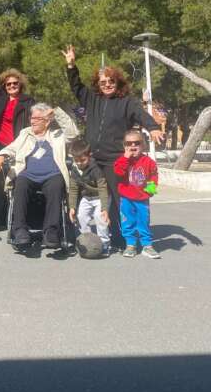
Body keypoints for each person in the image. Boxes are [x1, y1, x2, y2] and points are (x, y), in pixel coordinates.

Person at [62, 45, 164, 249]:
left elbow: (141, 115)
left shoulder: (127, 102)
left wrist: (152, 127)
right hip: (91, 158)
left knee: (118, 198)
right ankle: (80, 234)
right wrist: (71, 66)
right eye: (103, 82)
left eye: (111, 81)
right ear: (98, 85)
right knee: (83, 195)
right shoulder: (92, 99)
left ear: (117, 83)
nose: (107, 84)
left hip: (113, 159)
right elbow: (76, 87)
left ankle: (121, 237)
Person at [0, 103, 78, 249]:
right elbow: (12, 147)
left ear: (47, 120)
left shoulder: (57, 134)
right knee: (20, 184)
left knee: (57, 185)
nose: (32, 121)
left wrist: (57, 112)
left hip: (52, 174)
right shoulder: (26, 133)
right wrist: (1, 155)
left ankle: (51, 232)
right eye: (32, 117)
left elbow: (73, 133)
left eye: (37, 118)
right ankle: (20, 231)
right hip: (28, 174)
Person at [0, 61, 35, 232]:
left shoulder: (28, 101)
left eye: (15, 83)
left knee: (19, 181)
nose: (11, 86)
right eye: (8, 84)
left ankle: (19, 220)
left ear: (20, 84)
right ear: (4, 86)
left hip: (19, 144)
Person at [114, 130, 160, 259]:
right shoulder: (121, 160)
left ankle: (147, 245)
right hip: (126, 198)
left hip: (142, 198)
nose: (133, 146)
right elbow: (118, 172)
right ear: (124, 146)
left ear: (143, 145)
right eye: (129, 143)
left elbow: (153, 176)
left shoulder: (149, 161)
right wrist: (125, 158)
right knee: (128, 221)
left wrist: (151, 189)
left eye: (137, 143)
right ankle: (130, 244)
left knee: (143, 221)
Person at [68, 138, 110, 254]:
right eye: (77, 160)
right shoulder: (74, 169)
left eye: (83, 160)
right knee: (81, 216)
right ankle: (86, 241)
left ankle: (105, 243)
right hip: (87, 197)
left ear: (89, 156)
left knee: (100, 217)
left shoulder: (96, 169)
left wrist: (104, 209)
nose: (80, 163)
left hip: (99, 197)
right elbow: (73, 189)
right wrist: (72, 207)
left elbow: (102, 188)